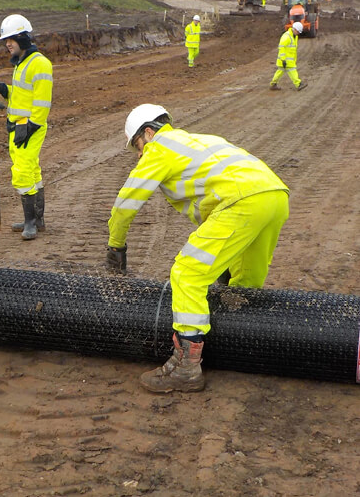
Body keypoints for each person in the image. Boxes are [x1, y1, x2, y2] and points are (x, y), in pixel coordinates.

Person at [106, 104, 289, 393]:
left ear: (149, 133)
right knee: (243, 287)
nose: (139, 155)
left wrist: (116, 246)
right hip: (274, 195)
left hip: (240, 200)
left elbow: (125, 205)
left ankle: (186, 367)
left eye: (137, 146)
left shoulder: (158, 148)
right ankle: (239, 346)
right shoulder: (200, 140)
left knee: (188, 273)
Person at [0, 14, 53, 240]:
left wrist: (31, 127)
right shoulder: (22, 64)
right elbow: (22, 96)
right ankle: (36, 220)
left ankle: (31, 223)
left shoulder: (39, 63)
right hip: (18, 126)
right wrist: (2, 88)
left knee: (22, 172)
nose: (7, 44)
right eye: (6, 40)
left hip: (29, 127)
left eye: (11, 39)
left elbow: (42, 102)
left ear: (23, 38)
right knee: (32, 171)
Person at [270, 21, 307, 91]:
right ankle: (298, 84)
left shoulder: (294, 36)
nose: (298, 33)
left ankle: (273, 84)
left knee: (280, 71)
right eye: (298, 31)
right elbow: (281, 47)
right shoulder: (287, 37)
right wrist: (283, 59)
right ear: (294, 29)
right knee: (292, 71)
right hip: (285, 60)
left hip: (288, 60)